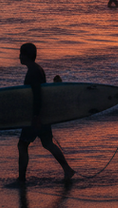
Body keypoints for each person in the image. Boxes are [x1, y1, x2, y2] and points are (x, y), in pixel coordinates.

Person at [17, 43, 75, 182]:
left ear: (26, 55)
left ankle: (21, 179)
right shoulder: (36, 69)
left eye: (20, 53)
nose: (18, 56)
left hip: (36, 115)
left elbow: (37, 95)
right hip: (43, 114)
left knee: (22, 144)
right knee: (47, 143)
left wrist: (36, 117)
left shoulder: (33, 72)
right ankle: (67, 169)